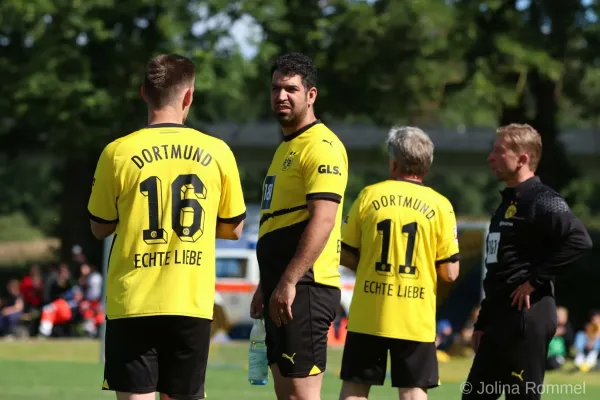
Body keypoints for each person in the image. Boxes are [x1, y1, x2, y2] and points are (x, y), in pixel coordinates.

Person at [88, 53, 246, 400]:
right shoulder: (218, 151)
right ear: (189, 96)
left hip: (133, 301)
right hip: (190, 301)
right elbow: (234, 228)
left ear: (144, 92)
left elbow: (100, 228)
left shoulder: (117, 152)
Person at [464, 123, 593, 400]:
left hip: (527, 315)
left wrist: (535, 281)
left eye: (499, 151)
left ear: (522, 158)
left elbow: (579, 240)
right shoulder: (507, 202)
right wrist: (483, 322)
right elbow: (499, 268)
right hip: (499, 318)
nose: (490, 157)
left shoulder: (543, 198)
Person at [249, 52, 348, 400]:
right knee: (288, 395)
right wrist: (266, 285)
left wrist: (289, 280)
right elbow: (279, 224)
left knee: (302, 396)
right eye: (276, 88)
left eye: (291, 88)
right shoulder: (286, 148)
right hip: (284, 287)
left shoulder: (321, 146)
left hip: (307, 287)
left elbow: (323, 220)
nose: (281, 96)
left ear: (311, 95)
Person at [338, 126, 460, 400]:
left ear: (393, 162)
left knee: (355, 388)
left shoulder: (369, 196)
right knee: (412, 392)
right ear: (426, 166)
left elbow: (344, 253)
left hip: (370, 313)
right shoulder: (441, 205)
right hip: (415, 316)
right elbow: (451, 272)